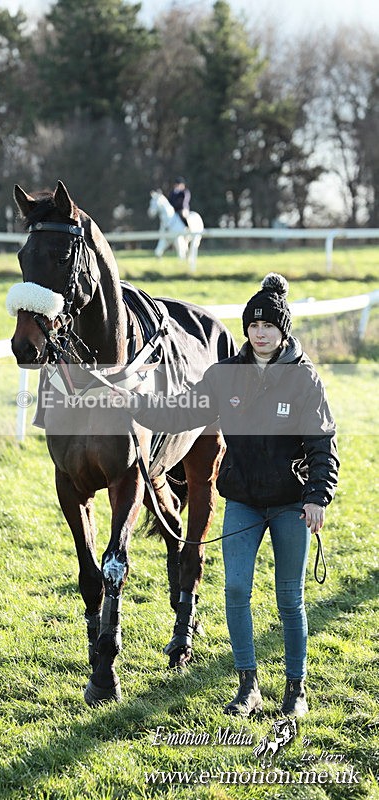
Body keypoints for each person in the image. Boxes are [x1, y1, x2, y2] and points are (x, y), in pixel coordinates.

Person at [108, 273, 339, 717]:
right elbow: (180, 411)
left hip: (292, 504)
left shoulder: (304, 379)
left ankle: (296, 690)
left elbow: (323, 441)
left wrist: (317, 496)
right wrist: (133, 401)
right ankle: (247, 686)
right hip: (244, 502)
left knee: (289, 597)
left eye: (268, 325)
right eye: (253, 325)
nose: (260, 332)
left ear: (282, 329)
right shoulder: (225, 375)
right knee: (235, 590)